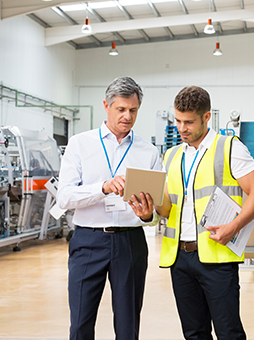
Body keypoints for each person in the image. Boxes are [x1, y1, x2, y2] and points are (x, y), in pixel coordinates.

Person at [155, 86, 254, 340]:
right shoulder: (171, 155)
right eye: (178, 121)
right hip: (179, 258)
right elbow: (167, 208)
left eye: (189, 122)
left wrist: (234, 226)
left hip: (217, 258)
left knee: (228, 333)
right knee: (194, 333)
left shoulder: (228, 148)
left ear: (206, 117)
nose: (182, 128)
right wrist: (146, 208)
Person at [57, 76, 161, 340]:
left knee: (128, 326)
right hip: (88, 240)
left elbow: (155, 212)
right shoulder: (80, 144)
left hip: (130, 242)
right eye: (121, 109)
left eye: (133, 110)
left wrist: (148, 214)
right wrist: (102, 187)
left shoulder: (148, 152)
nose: (127, 116)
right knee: (80, 323)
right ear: (106, 105)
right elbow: (65, 198)